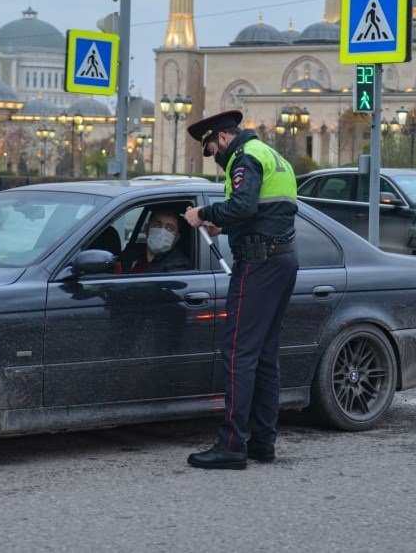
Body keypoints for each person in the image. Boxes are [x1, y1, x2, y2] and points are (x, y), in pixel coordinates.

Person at [181, 110, 298, 470]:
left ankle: (232, 444)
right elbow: (267, 213)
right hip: (283, 260)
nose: (215, 156)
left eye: (213, 148)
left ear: (223, 137)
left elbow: (243, 204)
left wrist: (204, 214)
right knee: (264, 356)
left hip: (258, 266)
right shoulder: (273, 156)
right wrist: (224, 227)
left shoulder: (244, 158)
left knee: (237, 354)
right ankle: (263, 442)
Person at [117, 206, 192, 273]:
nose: (162, 231)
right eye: (157, 225)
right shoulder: (131, 252)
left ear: (176, 237)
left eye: (169, 228)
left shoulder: (179, 264)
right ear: (147, 229)